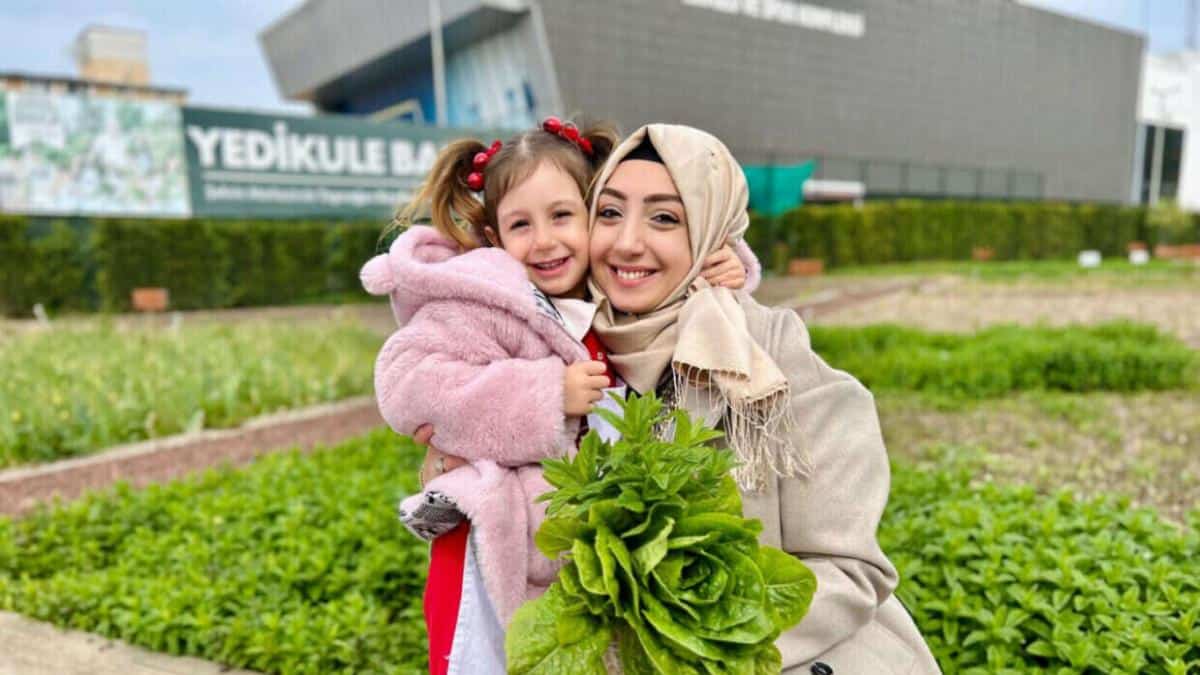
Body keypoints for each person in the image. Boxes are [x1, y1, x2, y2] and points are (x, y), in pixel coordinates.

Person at [419, 123, 941, 673]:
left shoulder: (771, 360)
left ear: (712, 233)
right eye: (610, 213)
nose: (627, 242)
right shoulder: (568, 349)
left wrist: (683, 644)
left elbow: (849, 571)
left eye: (665, 218)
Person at [360, 117, 756, 674]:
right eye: (521, 224)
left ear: (594, 215)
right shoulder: (482, 299)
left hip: (581, 550)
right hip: (495, 551)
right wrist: (545, 394)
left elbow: (676, 279)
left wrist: (730, 266)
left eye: (562, 216)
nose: (544, 240)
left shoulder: (606, 293)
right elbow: (409, 383)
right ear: (494, 238)